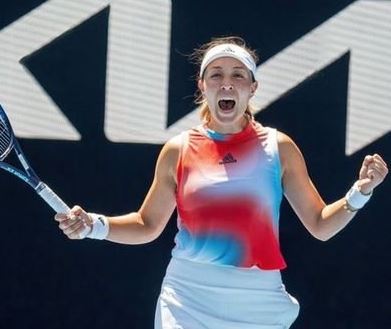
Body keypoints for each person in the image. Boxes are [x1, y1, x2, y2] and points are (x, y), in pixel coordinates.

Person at [55, 36, 388, 328]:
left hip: (258, 302)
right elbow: (147, 224)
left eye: (237, 76)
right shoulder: (178, 150)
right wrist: (95, 225)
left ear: (251, 87)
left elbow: (320, 224)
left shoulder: (279, 148)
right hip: (187, 297)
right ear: (203, 86)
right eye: (216, 75)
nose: (226, 83)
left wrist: (360, 192)